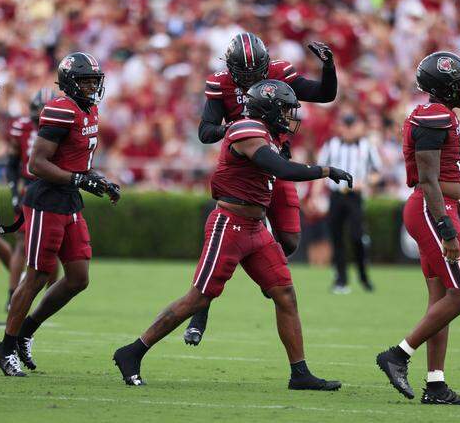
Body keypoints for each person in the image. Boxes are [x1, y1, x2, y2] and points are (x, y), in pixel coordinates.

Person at [113, 79, 352, 390]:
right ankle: (133, 352)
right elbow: (280, 168)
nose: (289, 116)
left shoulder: (266, 133)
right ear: (267, 108)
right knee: (198, 297)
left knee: (285, 294)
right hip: (231, 223)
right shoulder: (245, 129)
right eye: (283, 108)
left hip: (255, 228)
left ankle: (300, 373)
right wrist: (326, 170)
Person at [185, 32, 338, 346]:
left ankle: (252, 261)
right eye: (247, 73)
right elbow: (205, 132)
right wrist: (233, 129)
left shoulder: (279, 71)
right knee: (223, 241)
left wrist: (329, 67)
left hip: (276, 161)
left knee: (292, 240)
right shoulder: (221, 83)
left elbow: (323, 94)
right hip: (243, 167)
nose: (255, 77)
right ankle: (202, 308)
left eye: (259, 70)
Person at [376, 51, 460, 405]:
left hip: (438, 206)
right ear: (442, 86)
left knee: (441, 299)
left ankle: (436, 384)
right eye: (459, 82)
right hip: (432, 210)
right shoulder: (433, 116)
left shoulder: (442, 115)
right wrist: (446, 228)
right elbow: (429, 181)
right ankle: (398, 355)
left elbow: (447, 181)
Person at [0, 52, 120, 376]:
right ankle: (5, 348)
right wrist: (79, 179)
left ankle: (26, 331)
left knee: (78, 278)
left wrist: (98, 179)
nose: (91, 87)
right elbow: (37, 164)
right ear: (68, 83)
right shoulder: (61, 109)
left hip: (68, 200)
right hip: (47, 201)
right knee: (37, 275)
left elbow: (78, 161)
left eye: (94, 80)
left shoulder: (89, 109)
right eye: (85, 81)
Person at [5, 88, 59, 310]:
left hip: (53, 186)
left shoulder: (61, 127)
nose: (40, 118)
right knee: (21, 241)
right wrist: (14, 193)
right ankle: (11, 294)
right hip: (29, 185)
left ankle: (52, 298)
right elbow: (11, 163)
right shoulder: (21, 127)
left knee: (54, 244)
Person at [318, 111, 381, 294]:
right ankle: (341, 280)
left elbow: (376, 172)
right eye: (346, 125)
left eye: (351, 125)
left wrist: (366, 182)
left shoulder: (366, 146)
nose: (348, 130)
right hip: (336, 195)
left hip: (355, 196)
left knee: (356, 237)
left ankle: (363, 276)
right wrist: (316, 194)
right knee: (336, 238)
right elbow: (321, 169)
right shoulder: (331, 145)